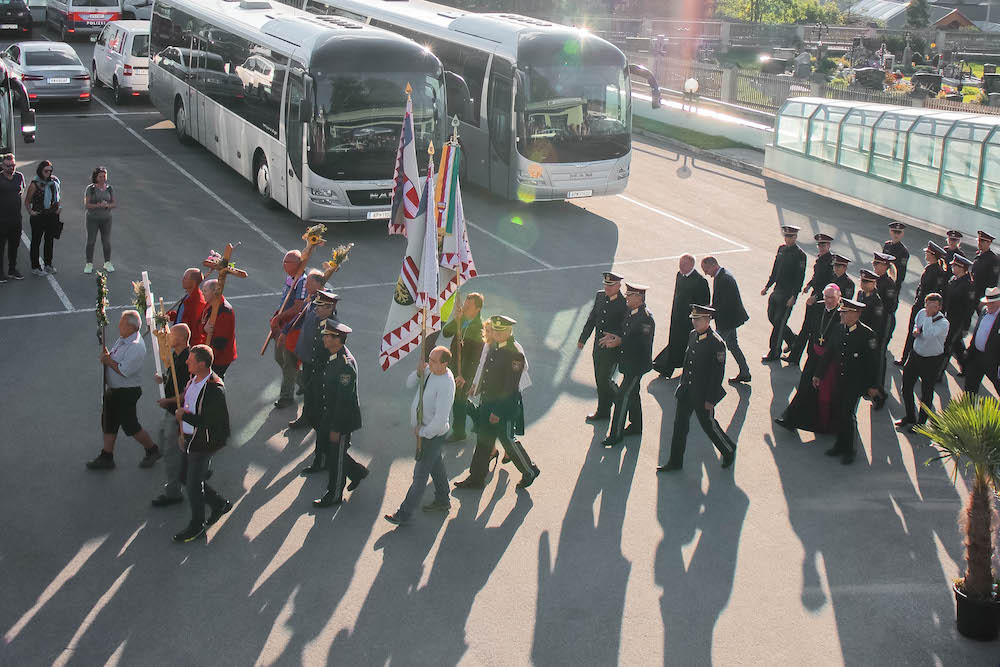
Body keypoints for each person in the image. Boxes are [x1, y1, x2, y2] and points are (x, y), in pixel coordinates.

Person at [455, 316, 540, 490]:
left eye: (501, 331)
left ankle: (529, 471)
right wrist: (476, 388)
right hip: (487, 403)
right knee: (483, 441)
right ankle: (476, 478)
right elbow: (485, 372)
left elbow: (510, 386)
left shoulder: (515, 354)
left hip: (503, 408)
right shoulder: (493, 347)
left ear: (509, 332)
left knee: (508, 440)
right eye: (494, 330)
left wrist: (498, 411)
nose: (497, 334)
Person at [657, 304, 736, 472]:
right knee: (679, 426)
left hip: (703, 394)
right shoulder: (693, 335)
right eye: (693, 319)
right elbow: (688, 363)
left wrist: (710, 399)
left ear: (708, 320)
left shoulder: (716, 344)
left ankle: (728, 450)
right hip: (687, 390)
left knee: (709, 426)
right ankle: (675, 461)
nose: (695, 323)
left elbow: (717, 375)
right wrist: (682, 385)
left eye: (698, 320)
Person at [384, 346, 456, 525]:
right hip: (426, 431)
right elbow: (409, 384)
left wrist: (422, 432)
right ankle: (443, 499)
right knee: (436, 465)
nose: (428, 363)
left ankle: (404, 513)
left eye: (433, 361)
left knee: (420, 475)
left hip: (432, 434)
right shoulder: (430, 372)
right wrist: (418, 373)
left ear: (444, 364)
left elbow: (440, 419)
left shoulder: (446, 384)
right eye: (429, 358)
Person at [86, 310, 162, 470]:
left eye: (122, 323)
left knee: (131, 425)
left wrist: (108, 361)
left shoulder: (136, 347)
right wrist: (108, 356)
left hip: (126, 392)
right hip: (114, 390)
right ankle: (107, 456)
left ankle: (152, 449)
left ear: (131, 327)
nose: (118, 326)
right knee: (109, 421)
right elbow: (114, 357)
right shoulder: (123, 340)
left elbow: (124, 370)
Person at [172, 344, 233, 542]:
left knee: (192, 485)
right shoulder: (194, 380)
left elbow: (211, 420)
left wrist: (185, 417)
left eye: (191, 360)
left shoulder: (215, 389)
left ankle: (196, 525)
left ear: (202, 364)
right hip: (189, 438)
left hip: (204, 441)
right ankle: (218, 504)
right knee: (183, 476)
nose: (187, 361)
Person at [816, 298, 880, 465]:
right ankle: (839, 445)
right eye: (842, 312)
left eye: (845, 312)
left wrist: (873, 386)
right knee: (838, 412)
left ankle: (850, 449)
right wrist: (819, 374)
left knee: (848, 414)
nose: (842, 315)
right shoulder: (838, 329)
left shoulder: (867, 334)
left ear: (856, 314)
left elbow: (873, 363)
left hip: (855, 382)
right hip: (839, 379)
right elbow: (829, 354)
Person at [313, 321, 369, 507]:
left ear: (337, 339)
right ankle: (357, 472)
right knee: (329, 450)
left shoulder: (345, 364)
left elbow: (344, 402)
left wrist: (336, 428)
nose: (324, 338)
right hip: (330, 413)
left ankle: (335, 494)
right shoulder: (333, 356)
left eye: (327, 336)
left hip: (342, 419)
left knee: (336, 456)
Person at [775, 284, 843, 433]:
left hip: (830, 359)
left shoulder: (842, 314)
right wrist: (799, 351)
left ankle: (827, 425)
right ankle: (790, 420)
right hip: (814, 355)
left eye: (832, 298)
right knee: (804, 386)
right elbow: (807, 329)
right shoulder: (817, 307)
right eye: (826, 297)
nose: (829, 301)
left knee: (825, 393)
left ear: (839, 297)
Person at [601, 283, 655, 446]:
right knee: (633, 393)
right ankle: (636, 426)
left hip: (636, 365)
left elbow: (641, 343)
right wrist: (615, 336)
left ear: (638, 299)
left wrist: (620, 342)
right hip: (629, 362)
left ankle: (615, 435)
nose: (626, 297)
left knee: (622, 397)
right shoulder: (631, 312)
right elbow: (624, 331)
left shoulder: (645, 319)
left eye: (629, 295)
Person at [895, 293, 949, 431]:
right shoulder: (921, 313)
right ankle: (910, 416)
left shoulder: (943, 323)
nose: (930, 309)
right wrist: (916, 330)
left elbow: (929, 335)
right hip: (916, 355)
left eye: (935, 306)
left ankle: (921, 422)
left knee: (926, 392)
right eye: (928, 305)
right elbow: (916, 325)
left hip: (931, 360)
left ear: (940, 307)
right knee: (906, 386)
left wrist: (929, 316)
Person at [578, 272, 627, 421]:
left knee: (605, 379)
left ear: (618, 286)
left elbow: (625, 327)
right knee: (599, 380)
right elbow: (592, 318)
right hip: (598, 347)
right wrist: (583, 338)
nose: (607, 288)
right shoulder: (600, 296)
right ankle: (604, 411)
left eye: (611, 285)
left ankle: (621, 400)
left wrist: (615, 337)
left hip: (612, 349)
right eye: (605, 284)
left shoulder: (623, 304)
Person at [151, 323, 191, 507]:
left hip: (177, 413)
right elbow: (173, 378)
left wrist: (168, 401)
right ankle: (186, 468)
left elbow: (186, 392)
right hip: (171, 410)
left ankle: (173, 492)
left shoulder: (187, 361)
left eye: (171, 335)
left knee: (171, 452)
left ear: (182, 339)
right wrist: (164, 379)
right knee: (165, 441)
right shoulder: (176, 355)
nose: (168, 338)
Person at [290, 288, 338, 434]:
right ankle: (307, 417)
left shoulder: (334, 327)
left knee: (318, 396)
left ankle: (320, 424)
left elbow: (333, 351)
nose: (315, 308)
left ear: (330, 308)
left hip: (322, 368)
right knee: (309, 393)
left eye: (319, 306)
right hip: (310, 363)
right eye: (316, 305)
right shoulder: (316, 317)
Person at [652, 256, 710, 377]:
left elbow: (703, 305)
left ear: (691, 265)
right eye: (680, 264)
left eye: (684, 264)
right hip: (677, 318)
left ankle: (677, 368)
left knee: (686, 345)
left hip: (690, 322)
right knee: (675, 343)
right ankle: (667, 367)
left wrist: (697, 320)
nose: (681, 267)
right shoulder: (679, 275)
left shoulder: (700, 281)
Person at [785, 233, 834, 364]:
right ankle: (795, 356)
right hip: (815, 295)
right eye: (819, 245)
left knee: (812, 330)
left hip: (821, 299)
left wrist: (816, 296)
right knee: (806, 328)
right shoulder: (821, 259)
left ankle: (807, 358)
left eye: (823, 245)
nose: (821, 247)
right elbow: (817, 277)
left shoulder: (830, 262)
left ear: (829, 245)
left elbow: (829, 283)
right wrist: (809, 285)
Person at [701, 256, 751, 383]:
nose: (706, 273)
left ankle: (709, 375)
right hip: (729, 319)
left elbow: (724, 304)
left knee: (714, 346)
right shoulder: (722, 276)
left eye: (706, 269)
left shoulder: (724, 279)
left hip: (727, 320)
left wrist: (710, 312)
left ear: (713, 265)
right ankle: (745, 372)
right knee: (733, 345)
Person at [898, 242, 949, 367]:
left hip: (925, 307)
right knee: (913, 331)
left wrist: (926, 307)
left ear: (932, 255)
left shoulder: (936, 271)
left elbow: (933, 292)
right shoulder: (930, 268)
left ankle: (908, 359)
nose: (925, 254)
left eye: (927, 252)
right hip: (920, 304)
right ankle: (906, 358)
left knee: (918, 332)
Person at [762, 225, 807, 362]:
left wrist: (794, 296)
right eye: (786, 236)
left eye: (790, 237)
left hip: (787, 293)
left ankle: (774, 352)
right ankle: (792, 339)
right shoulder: (781, 249)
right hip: (777, 290)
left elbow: (800, 278)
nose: (787, 239)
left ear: (795, 237)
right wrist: (768, 286)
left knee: (779, 322)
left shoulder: (800, 255)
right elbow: (775, 270)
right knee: (772, 317)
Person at [443, 292, 485, 440]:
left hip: (465, 371)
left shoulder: (479, 330)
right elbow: (446, 333)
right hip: (454, 366)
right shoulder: (462, 320)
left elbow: (476, 359)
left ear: (477, 309)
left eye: (468, 306)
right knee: (458, 398)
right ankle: (477, 415)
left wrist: (465, 377)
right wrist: (457, 320)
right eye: (465, 304)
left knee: (458, 401)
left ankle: (459, 433)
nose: (465, 307)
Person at [271, 250, 307, 409]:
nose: (284, 265)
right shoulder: (291, 279)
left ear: (297, 264)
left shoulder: (302, 282)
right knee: (279, 357)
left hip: (292, 327)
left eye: (287, 262)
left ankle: (286, 397)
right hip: (282, 324)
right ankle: (303, 381)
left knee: (288, 363)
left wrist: (279, 318)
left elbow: (298, 307)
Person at [940, 254, 975, 380]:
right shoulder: (954, 279)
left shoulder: (968, 285)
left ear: (961, 267)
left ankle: (938, 374)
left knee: (948, 345)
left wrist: (965, 326)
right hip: (949, 317)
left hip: (958, 321)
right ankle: (966, 367)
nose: (952, 267)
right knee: (957, 346)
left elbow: (969, 308)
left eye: (955, 265)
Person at [24, 160, 61, 276]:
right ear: (41, 171)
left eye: (50, 171)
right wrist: (31, 211)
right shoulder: (35, 184)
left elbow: (57, 197)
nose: (48, 173)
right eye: (46, 171)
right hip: (39, 216)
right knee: (36, 241)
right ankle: (35, 266)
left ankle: (48, 264)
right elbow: (27, 201)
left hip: (51, 215)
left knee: (49, 241)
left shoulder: (53, 183)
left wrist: (59, 207)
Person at [872, 251, 898, 404]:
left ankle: (880, 391)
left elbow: (890, 308)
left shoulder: (888, 284)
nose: (874, 266)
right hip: (875, 322)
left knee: (880, 356)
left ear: (885, 266)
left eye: (877, 264)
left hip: (884, 324)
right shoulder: (876, 280)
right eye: (874, 263)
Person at [964, 286, 1000, 396]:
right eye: (988, 303)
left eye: (993, 303)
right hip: (976, 357)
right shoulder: (984, 311)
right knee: (969, 390)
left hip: (994, 361)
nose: (989, 305)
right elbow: (977, 332)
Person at [200, 278, 237, 378]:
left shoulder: (225, 311)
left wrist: (206, 358)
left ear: (214, 292)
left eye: (205, 291)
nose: (202, 294)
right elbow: (202, 322)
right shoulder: (210, 303)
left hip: (220, 357)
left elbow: (220, 342)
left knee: (214, 380)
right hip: (211, 349)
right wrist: (204, 328)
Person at [83, 166, 116, 274]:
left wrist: (107, 205)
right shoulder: (90, 189)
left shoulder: (109, 188)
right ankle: (89, 263)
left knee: (106, 241)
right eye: (100, 176)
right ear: (96, 177)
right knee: (91, 241)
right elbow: (87, 204)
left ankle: (107, 262)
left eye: (104, 176)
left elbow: (114, 203)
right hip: (93, 218)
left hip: (106, 219)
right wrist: (97, 205)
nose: (102, 178)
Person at [0, 153, 25, 282]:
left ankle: (12, 269)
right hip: (2, 219)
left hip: (16, 219)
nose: (11, 168)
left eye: (13, 165)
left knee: (14, 246)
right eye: (8, 166)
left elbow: (21, 191)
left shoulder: (19, 177)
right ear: (2, 166)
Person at [167, 268, 206, 345]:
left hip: (185, 344)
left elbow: (193, 326)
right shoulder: (189, 295)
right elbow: (183, 314)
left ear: (193, 283)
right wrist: (170, 316)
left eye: (185, 278)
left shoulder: (197, 302)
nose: (182, 280)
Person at [972, 230, 1000, 305]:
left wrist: (986, 298)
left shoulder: (993, 259)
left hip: (983, 295)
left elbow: (993, 282)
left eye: (982, 241)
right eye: (979, 241)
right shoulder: (978, 256)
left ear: (989, 243)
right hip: (973, 293)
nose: (979, 243)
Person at [883, 222, 910, 291]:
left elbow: (901, 271)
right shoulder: (887, 246)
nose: (896, 235)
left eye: (899, 233)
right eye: (894, 232)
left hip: (894, 282)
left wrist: (894, 283)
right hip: (883, 279)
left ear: (902, 234)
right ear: (890, 232)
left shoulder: (904, 252)